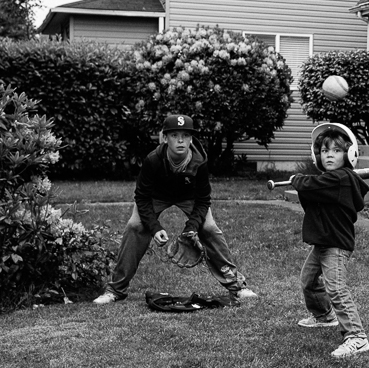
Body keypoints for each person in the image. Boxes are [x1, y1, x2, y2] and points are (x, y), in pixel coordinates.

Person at [94, 113, 256, 304]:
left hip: (190, 198)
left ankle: (238, 287)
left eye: (186, 135)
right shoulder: (153, 160)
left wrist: (191, 228)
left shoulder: (200, 161)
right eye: (174, 135)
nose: (180, 140)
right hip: (156, 196)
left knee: (209, 229)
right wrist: (154, 228)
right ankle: (116, 290)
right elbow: (142, 197)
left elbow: (203, 200)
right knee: (135, 226)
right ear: (164, 138)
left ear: (191, 138)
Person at [291, 123, 369, 359]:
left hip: (335, 245)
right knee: (308, 280)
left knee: (336, 289)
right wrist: (303, 184)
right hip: (323, 242)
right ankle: (324, 316)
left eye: (336, 151)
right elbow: (311, 195)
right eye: (325, 151)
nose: (329, 155)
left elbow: (309, 185)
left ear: (348, 154)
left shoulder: (341, 179)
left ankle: (357, 337)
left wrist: (298, 180)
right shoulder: (329, 181)